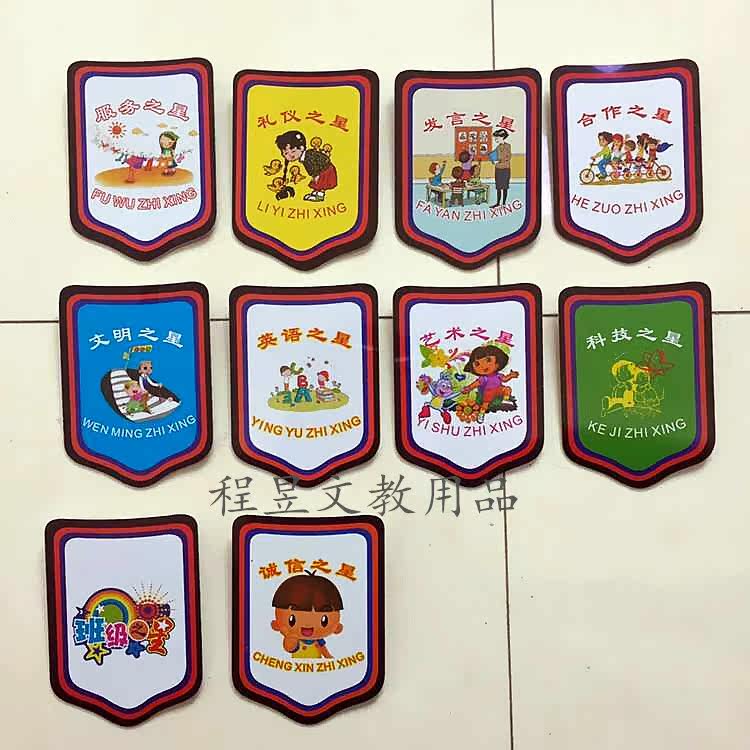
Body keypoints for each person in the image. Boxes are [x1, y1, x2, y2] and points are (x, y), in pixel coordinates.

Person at [270, 572, 344, 659]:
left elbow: (323, 649)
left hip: (317, 663)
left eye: (324, 621)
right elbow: (290, 648)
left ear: (337, 627)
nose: (308, 625)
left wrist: (328, 657)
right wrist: (289, 639)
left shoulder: (319, 640)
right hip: (296, 663)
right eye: (292, 620)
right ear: (276, 625)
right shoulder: (294, 638)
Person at [274, 130, 338, 202]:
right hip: (322, 170)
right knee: (317, 182)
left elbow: (317, 165)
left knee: (321, 183)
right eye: (286, 153)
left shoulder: (308, 156)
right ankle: (316, 192)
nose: (290, 155)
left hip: (325, 170)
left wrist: (316, 175)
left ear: (301, 148)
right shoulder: (305, 157)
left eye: (293, 151)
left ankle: (319, 195)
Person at [461, 344, 519, 421]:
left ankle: (505, 399)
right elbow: (476, 384)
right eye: (477, 364)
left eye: (488, 360)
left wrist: (511, 375)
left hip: (499, 389)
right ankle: (481, 413)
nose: (483, 366)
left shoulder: (498, 375)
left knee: (507, 389)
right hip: (488, 392)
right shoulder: (484, 378)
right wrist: (468, 388)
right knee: (485, 404)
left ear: (498, 361)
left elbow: (504, 379)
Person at [488, 129, 512, 207]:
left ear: (502, 137)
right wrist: (492, 159)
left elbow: (508, 157)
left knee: (505, 187)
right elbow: (492, 156)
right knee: (498, 187)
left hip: (505, 169)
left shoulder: (508, 146)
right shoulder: (498, 147)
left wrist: (499, 160)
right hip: (498, 169)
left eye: (497, 137)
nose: (495, 139)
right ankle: (498, 203)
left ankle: (504, 203)